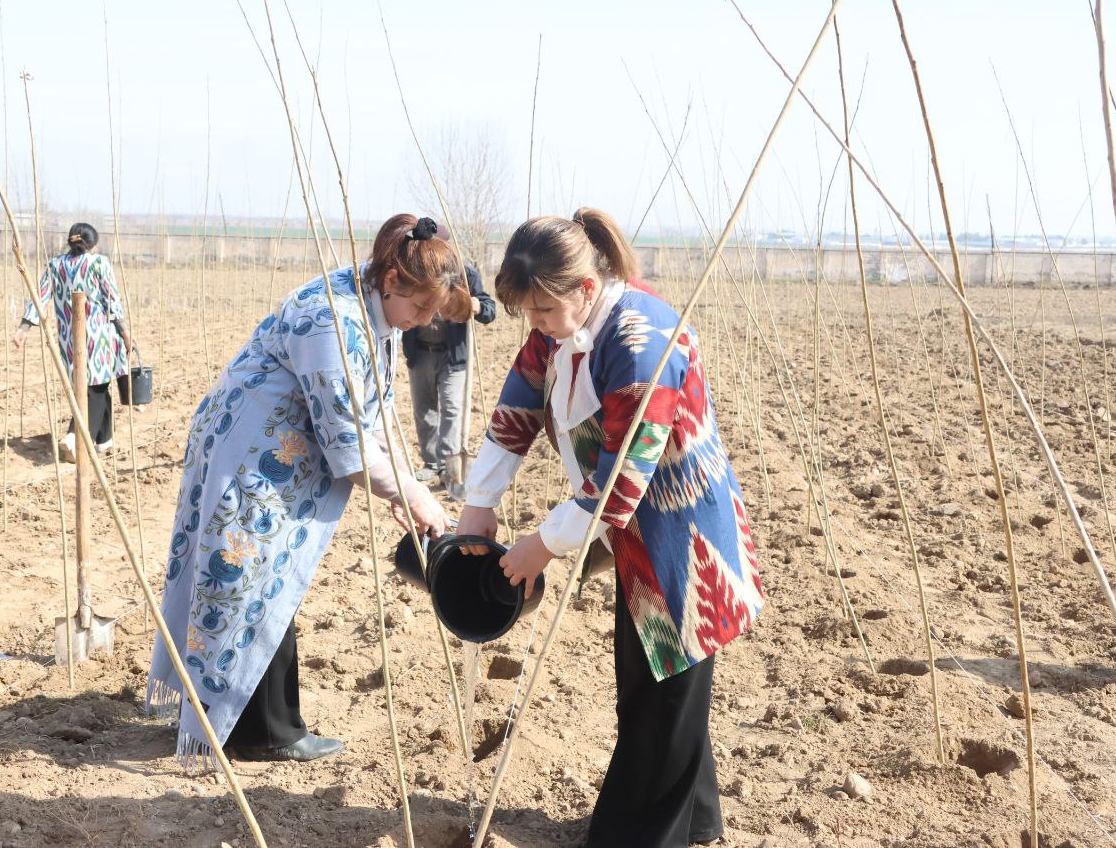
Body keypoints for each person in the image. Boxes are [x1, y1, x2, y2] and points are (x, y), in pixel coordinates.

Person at [458, 208, 764, 847]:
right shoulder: (559, 323)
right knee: (652, 679)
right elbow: (519, 402)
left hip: (682, 536)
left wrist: (540, 546)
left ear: (585, 288)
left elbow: (621, 485)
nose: (535, 326)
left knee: (662, 689)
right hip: (633, 535)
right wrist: (480, 502)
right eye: (528, 314)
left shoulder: (640, 344)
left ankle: (636, 837)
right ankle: (696, 820)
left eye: (542, 311)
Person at [147, 214, 468, 765]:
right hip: (250, 454)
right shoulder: (331, 323)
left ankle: (255, 718)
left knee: (267, 579)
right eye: (420, 308)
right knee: (249, 576)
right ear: (392, 280)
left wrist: (408, 484)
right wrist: (409, 494)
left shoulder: (374, 305)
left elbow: (377, 412)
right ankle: (258, 732)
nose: (421, 322)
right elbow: (347, 438)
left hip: (278, 452)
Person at [13, 222, 131, 463]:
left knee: (92, 386)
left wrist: (24, 327)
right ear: (93, 243)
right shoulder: (99, 263)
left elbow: (40, 296)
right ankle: (75, 437)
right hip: (99, 338)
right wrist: (124, 331)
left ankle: (104, 439)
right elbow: (112, 300)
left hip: (68, 338)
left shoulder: (55, 265)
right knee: (95, 389)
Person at [402, 233, 496, 486]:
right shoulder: (415, 272)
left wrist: (476, 305)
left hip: (453, 356)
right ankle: (431, 463)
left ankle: (448, 467)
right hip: (420, 353)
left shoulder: (466, 274)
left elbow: (490, 310)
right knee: (424, 411)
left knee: (452, 409)